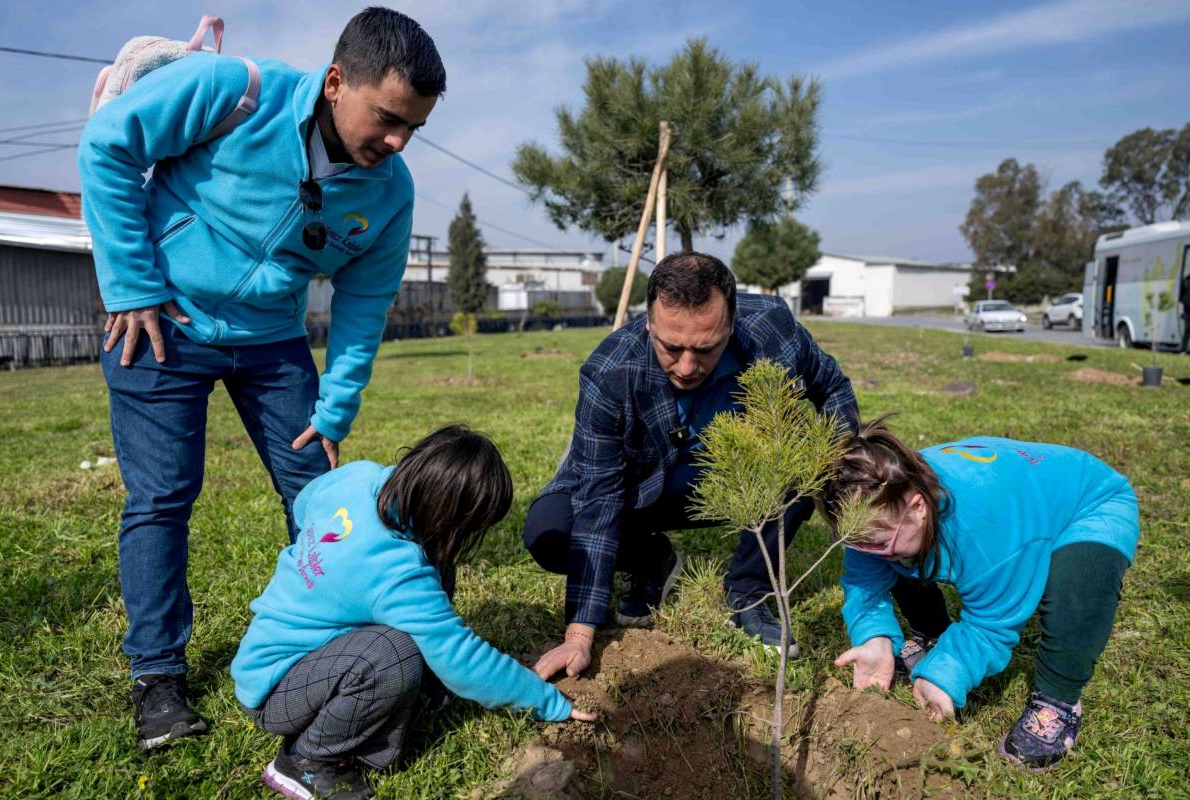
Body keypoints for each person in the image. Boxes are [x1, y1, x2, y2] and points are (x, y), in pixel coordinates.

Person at [77, 8, 444, 749]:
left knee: (317, 491)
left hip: (272, 342)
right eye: (388, 118)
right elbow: (107, 147)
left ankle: (321, 645)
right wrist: (131, 285)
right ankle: (158, 679)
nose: (399, 142)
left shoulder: (389, 191)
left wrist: (335, 408)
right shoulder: (233, 93)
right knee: (161, 497)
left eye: (414, 128)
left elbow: (364, 302)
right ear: (337, 83)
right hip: (160, 322)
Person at [525, 252, 859, 682]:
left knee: (798, 457)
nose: (686, 366)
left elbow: (831, 385)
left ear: (731, 324)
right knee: (550, 531)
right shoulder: (610, 372)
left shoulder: (773, 330)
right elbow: (599, 499)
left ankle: (749, 590)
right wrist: (579, 634)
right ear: (649, 323)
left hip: (734, 485)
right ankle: (651, 560)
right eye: (671, 347)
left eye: (705, 348)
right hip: (639, 489)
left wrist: (839, 459)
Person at [231, 425, 595, 800]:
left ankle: (411, 689)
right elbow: (461, 659)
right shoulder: (396, 573)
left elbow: (306, 502)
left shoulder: (362, 475)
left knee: (435, 570)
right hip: (276, 693)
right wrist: (546, 701)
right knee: (391, 655)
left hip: (265, 660)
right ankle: (308, 761)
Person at [822, 418, 1139, 772]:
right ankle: (932, 636)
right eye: (855, 542)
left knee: (1078, 588)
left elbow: (991, 622)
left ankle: (1058, 701)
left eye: (876, 541)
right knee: (897, 557)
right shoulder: (879, 500)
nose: (866, 551)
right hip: (1015, 492)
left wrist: (945, 674)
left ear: (918, 506)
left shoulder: (985, 535)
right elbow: (866, 576)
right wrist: (874, 638)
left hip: (1089, 502)